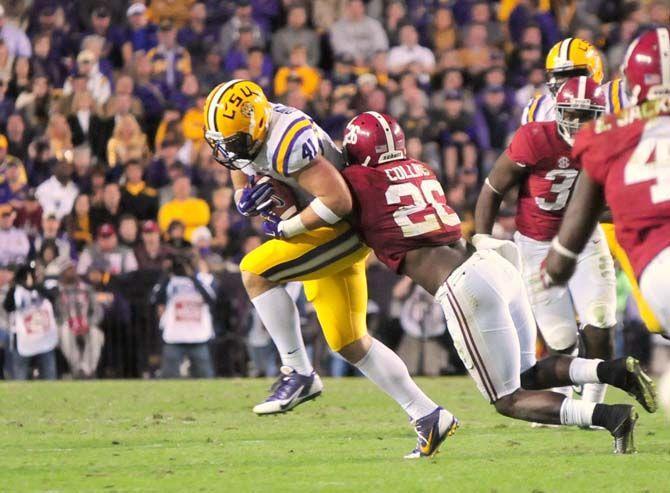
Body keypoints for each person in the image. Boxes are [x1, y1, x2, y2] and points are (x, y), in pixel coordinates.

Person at [340, 111, 657, 455]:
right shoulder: (419, 169)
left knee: (508, 400)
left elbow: (336, 200)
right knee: (528, 375)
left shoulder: (360, 180)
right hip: (493, 264)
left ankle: (611, 416)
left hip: (463, 287)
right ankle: (612, 371)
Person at [204, 80, 447, 455]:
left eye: (233, 140)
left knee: (254, 271)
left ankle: (297, 372)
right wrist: (241, 196)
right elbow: (239, 161)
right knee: (349, 342)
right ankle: (428, 414)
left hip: (340, 229)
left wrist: (287, 227)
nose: (226, 149)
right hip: (325, 229)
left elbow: (339, 201)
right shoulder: (250, 135)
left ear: (255, 126)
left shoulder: (287, 141)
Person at [474, 77, 617, 407]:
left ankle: (594, 405)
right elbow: (493, 188)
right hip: (536, 243)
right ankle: (568, 399)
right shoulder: (535, 138)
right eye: (574, 115)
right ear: (559, 113)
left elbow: (612, 201)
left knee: (600, 322)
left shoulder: (609, 145)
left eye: (588, 116)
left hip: (582, 238)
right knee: (560, 338)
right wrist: (482, 239)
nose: (580, 124)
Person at [544, 27, 670, 340]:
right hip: (604, 209)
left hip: (622, 216)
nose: (565, 84)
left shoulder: (608, 125)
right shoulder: (538, 110)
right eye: (558, 76)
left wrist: (558, 259)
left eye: (574, 73)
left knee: (653, 319)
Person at [151, 253, 216, 378]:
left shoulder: (203, 279)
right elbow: (156, 298)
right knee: (169, 376)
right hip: (175, 335)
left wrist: (192, 277)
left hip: (198, 336)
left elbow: (211, 299)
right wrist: (168, 274)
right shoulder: (170, 282)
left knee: (205, 377)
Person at [4, 262, 58, 380]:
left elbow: (53, 296)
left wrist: (35, 285)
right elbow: (8, 306)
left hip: (45, 337)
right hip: (23, 338)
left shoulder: (49, 285)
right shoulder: (17, 291)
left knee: (50, 376)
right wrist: (15, 284)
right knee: (20, 377)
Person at [54, 257, 104, 378]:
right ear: (62, 273)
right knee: (64, 331)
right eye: (68, 269)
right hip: (66, 326)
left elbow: (98, 311)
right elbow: (54, 314)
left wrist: (90, 323)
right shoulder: (57, 291)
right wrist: (65, 323)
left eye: (73, 268)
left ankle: (87, 370)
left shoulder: (87, 289)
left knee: (95, 334)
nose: (72, 271)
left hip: (86, 325)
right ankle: (77, 369)